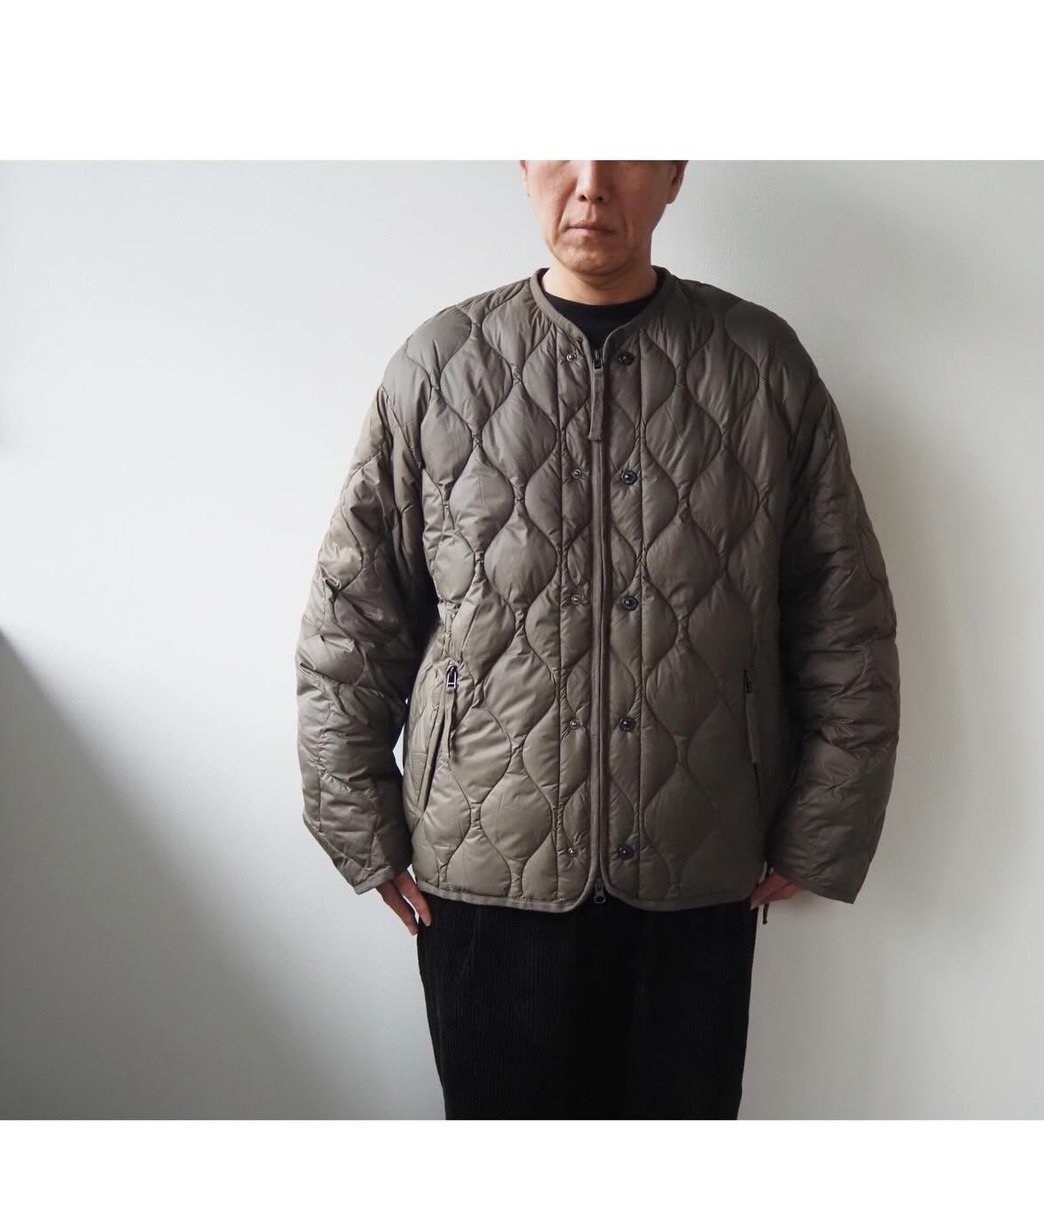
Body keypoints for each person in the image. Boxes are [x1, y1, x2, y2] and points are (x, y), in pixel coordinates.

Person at [294, 160, 901, 1119]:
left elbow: (844, 616)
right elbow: (352, 618)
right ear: (523, 165)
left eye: (624, 151)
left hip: (696, 862)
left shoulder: (760, 366)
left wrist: (824, 823)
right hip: (484, 871)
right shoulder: (440, 368)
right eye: (563, 151)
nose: (590, 185)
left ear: (673, 174)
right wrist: (359, 828)